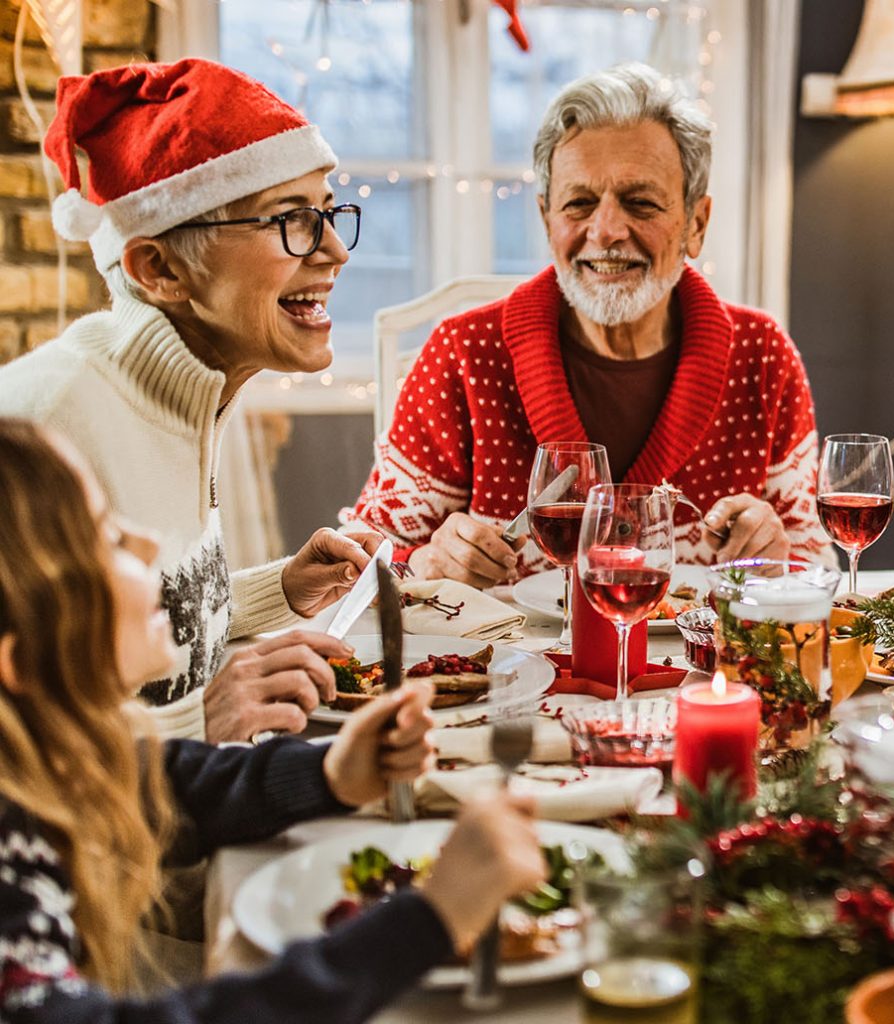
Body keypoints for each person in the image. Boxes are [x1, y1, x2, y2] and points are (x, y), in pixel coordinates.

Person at [0, 418, 549, 1022]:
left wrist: (328, 773)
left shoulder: (38, 763)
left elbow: (159, 784)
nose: (150, 545)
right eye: (106, 537)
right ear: (23, 657)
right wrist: (430, 918)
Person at [0, 59, 381, 743]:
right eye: (294, 220)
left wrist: (279, 592)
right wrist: (194, 722)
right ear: (161, 270)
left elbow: (131, 644)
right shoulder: (40, 427)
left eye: (328, 213)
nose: (333, 251)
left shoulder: (192, 393)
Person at [351, 62, 830, 586]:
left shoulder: (761, 354)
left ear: (696, 224)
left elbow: (815, 568)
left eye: (640, 202)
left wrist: (781, 556)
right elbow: (359, 566)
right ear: (546, 219)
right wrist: (419, 563)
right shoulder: (464, 352)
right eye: (578, 203)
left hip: (700, 668)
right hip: (507, 668)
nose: (604, 231)